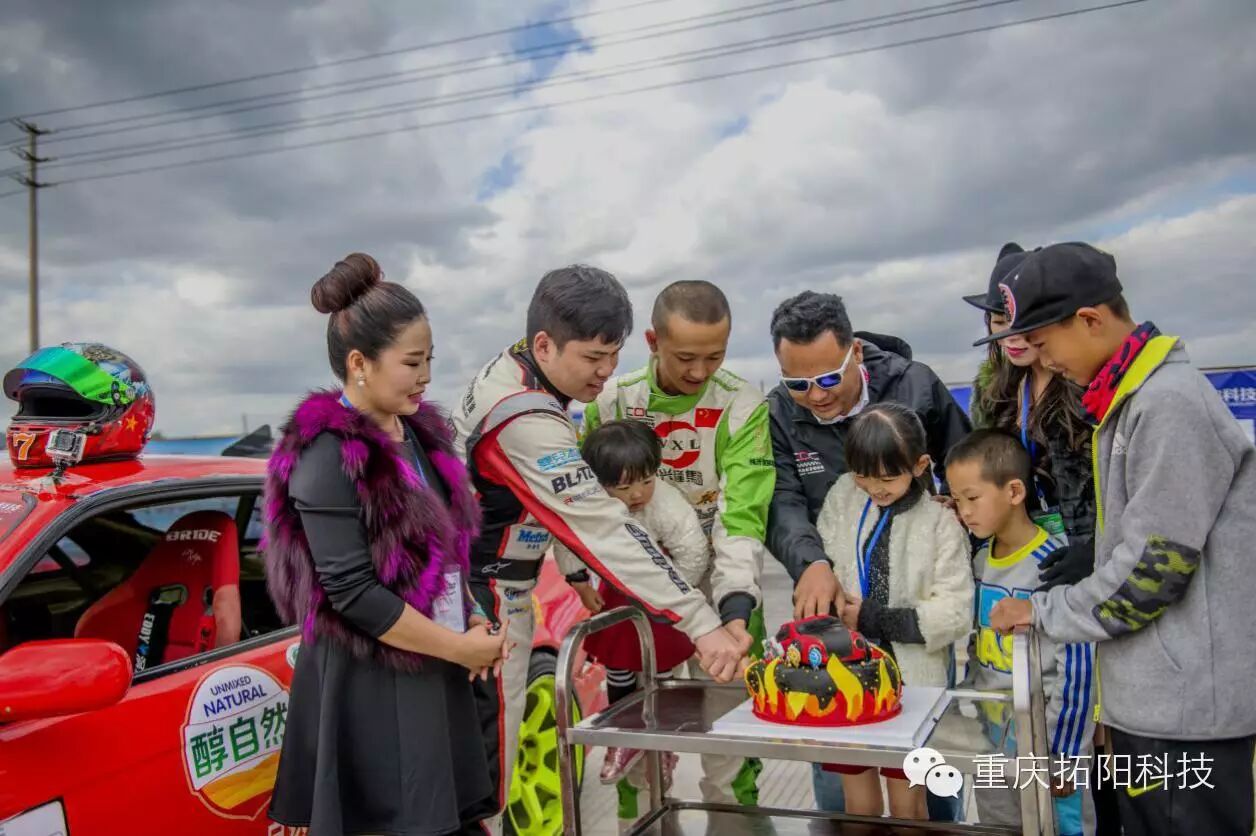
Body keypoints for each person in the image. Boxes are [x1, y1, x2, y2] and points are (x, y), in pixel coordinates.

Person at [452, 265, 748, 834]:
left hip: (479, 590)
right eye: (593, 357)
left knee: (481, 769)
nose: (607, 371)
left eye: (613, 354)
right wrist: (700, 622)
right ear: (545, 344)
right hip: (484, 599)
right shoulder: (524, 416)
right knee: (487, 783)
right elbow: (604, 528)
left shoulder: (517, 371)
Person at [987, 243, 1256, 836]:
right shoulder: (1127, 402)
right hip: (1154, 705)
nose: (1042, 360)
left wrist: (1041, 612)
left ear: (1089, 319)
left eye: (1044, 342)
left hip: (1187, 721)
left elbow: (1150, 572)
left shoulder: (1168, 404)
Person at [265, 253, 508, 836]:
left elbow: (449, 553)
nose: (426, 377)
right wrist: (458, 648)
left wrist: (472, 617)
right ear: (360, 363)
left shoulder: (419, 436)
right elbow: (353, 594)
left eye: (430, 361)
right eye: (412, 362)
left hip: (436, 660)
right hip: (373, 683)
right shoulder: (328, 454)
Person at [764, 290, 971, 818]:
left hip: (914, 644)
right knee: (843, 782)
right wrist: (812, 563)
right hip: (835, 625)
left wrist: (960, 510)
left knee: (924, 782)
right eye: (797, 384)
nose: (815, 396)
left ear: (854, 351)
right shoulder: (780, 414)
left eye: (827, 378)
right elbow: (783, 500)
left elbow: (969, 465)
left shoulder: (916, 385)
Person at [582, 279, 773, 813]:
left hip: (718, 582)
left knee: (733, 740)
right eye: (686, 357)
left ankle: (734, 824)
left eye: (715, 356)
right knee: (636, 738)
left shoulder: (741, 403)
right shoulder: (613, 400)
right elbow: (590, 507)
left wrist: (736, 607)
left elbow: (742, 514)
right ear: (652, 341)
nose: (699, 372)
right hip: (635, 588)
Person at [815, 403, 973, 821]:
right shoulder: (843, 497)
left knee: (909, 802)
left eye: (887, 478)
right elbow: (824, 562)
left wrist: (873, 619)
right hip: (846, 677)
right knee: (858, 802)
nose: (874, 488)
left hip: (911, 683)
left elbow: (955, 612)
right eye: (862, 476)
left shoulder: (939, 523)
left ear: (919, 465)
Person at [946, 429, 1096, 836]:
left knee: (1058, 827)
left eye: (972, 498)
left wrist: (1064, 755)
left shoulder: (1055, 564)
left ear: (1014, 491)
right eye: (957, 500)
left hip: (1047, 743)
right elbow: (976, 648)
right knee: (998, 825)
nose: (964, 512)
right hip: (992, 737)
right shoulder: (977, 561)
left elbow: (1079, 667)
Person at [553, 420, 709, 789]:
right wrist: (578, 581)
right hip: (619, 592)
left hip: (663, 596)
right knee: (619, 664)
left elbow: (692, 548)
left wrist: (674, 594)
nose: (638, 494)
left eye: (646, 481)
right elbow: (569, 536)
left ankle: (663, 745)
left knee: (663, 672)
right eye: (623, 488)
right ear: (598, 483)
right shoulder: (588, 502)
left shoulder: (667, 503)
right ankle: (623, 736)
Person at [964, 242, 1097, 590]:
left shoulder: (1087, 382)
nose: (1012, 336)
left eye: (1022, 322)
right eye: (1000, 321)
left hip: (1089, 558)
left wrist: (1097, 547)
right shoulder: (992, 390)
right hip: (1022, 553)